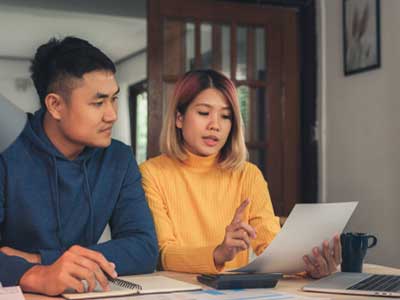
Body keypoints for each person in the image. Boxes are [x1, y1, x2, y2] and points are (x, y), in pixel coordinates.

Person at [140, 69, 341, 278]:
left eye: (226, 116)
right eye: (203, 113)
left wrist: (309, 266)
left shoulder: (248, 175)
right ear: (179, 118)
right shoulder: (152, 173)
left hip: (235, 293)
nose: (215, 125)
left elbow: (271, 246)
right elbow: (164, 254)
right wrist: (218, 254)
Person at [0, 37, 158, 295]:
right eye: (98, 102)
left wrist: (41, 260)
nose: (112, 115)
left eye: (114, 99)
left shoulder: (118, 158)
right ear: (55, 105)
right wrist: (37, 275)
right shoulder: (6, 152)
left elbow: (144, 249)